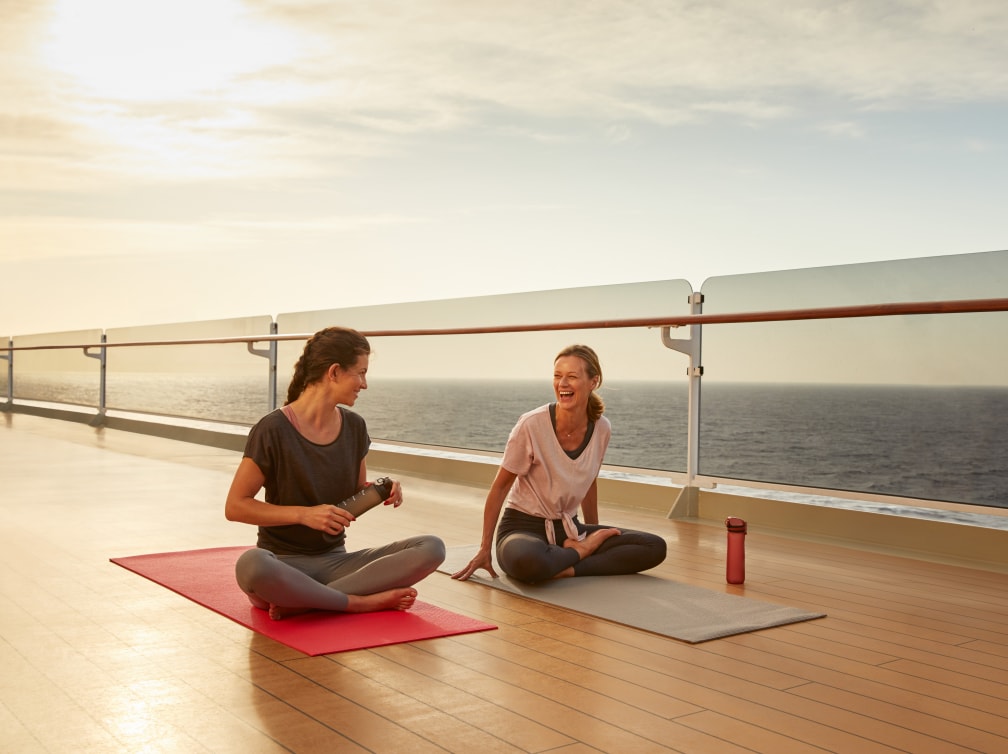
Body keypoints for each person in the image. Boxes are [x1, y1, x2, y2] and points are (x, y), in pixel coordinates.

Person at [225, 326, 445, 619]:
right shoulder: (273, 429)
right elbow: (235, 506)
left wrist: (379, 490)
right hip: (282, 565)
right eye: (360, 373)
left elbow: (350, 496)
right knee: (251, 565)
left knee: (431, 548)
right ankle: (358, 602)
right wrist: (304, 514)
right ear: (334, 372)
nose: (364, 384)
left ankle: (307, 602)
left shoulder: (355, 427)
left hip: (336, 564)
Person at [451, 344, 666, 584]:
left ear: (593, 382)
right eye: (557, 376)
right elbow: (500, 488)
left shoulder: (602, 428)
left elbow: (589, 482)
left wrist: (590, 531)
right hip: (522, 529)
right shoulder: (532, 424)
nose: (562, 383)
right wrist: (484, 548)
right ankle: (577, 555)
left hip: (569, 529)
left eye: (572, 377)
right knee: (526, 560)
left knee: (654, 546)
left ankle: (568, 565)